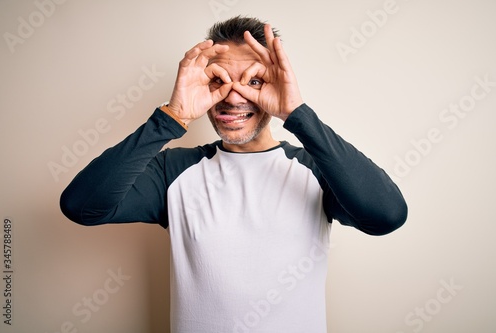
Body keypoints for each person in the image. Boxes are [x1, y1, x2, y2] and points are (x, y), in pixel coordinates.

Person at [60, 16, 407, 333]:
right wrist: (172, 116)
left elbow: (386, 215)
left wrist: (297, 113)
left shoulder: (315, 169)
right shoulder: (174, 171)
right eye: (219, 81)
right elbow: (82, 206)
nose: (235, 96)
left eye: (255, 81)